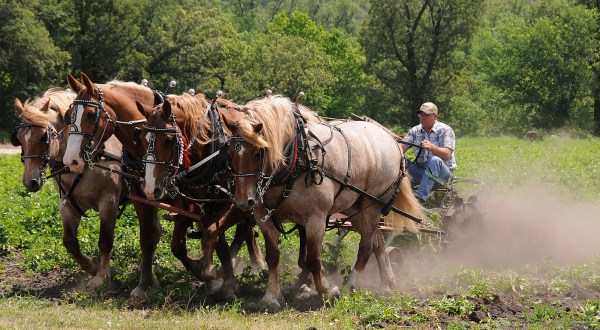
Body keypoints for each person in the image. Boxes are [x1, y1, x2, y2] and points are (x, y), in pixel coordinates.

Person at [401, 102, 457, 203]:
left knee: (434, 160)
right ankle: (390, 194)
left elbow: (447, 155)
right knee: (401, 160)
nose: (422, 117)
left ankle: (419, 198)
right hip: (421, 171)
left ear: (435, 116)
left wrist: (432, 147)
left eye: (426, 115)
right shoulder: (415, 131)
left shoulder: (445, 130)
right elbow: (401, 148)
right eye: (421, 114)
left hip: (442, 173)